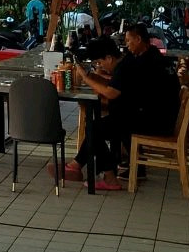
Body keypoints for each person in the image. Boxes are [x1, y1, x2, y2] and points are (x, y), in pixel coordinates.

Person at [64, 23, 180, 190]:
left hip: (157, 121)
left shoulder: (140, 62)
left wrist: (86, 78)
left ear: (138, 39)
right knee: (110, 119)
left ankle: (106, 176)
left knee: (96, 128)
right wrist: (96, 77)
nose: (126, 45)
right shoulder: (149, 56)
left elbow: (112, 92)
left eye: (128, 40)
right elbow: (123, 86)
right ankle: (81, 165)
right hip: (158, 115)